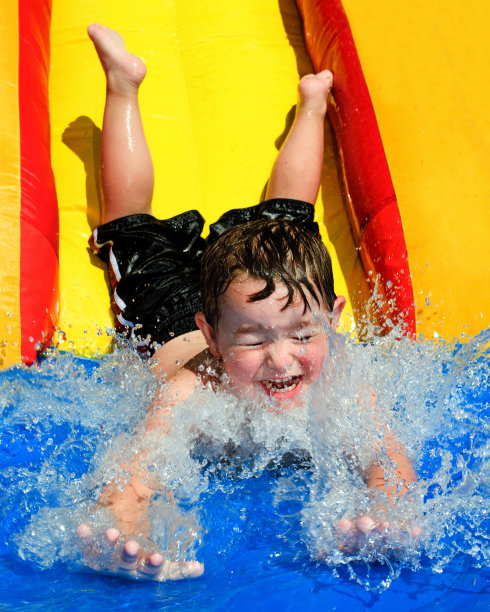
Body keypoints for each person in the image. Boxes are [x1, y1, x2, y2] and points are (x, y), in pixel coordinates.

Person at [78, 23, 417, 582]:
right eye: (254, 341)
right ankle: (123, 84)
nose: (282, 361)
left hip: (251, 291)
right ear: (212, 337)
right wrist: (123, 529)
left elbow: (389, 464)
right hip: (169, 318)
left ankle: (313, 104)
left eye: (303, 334)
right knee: (129, 229)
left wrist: (386, 513)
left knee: (290, 223)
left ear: (333, 319)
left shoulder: (343, 382)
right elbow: (136, 473)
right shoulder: (193, 392)